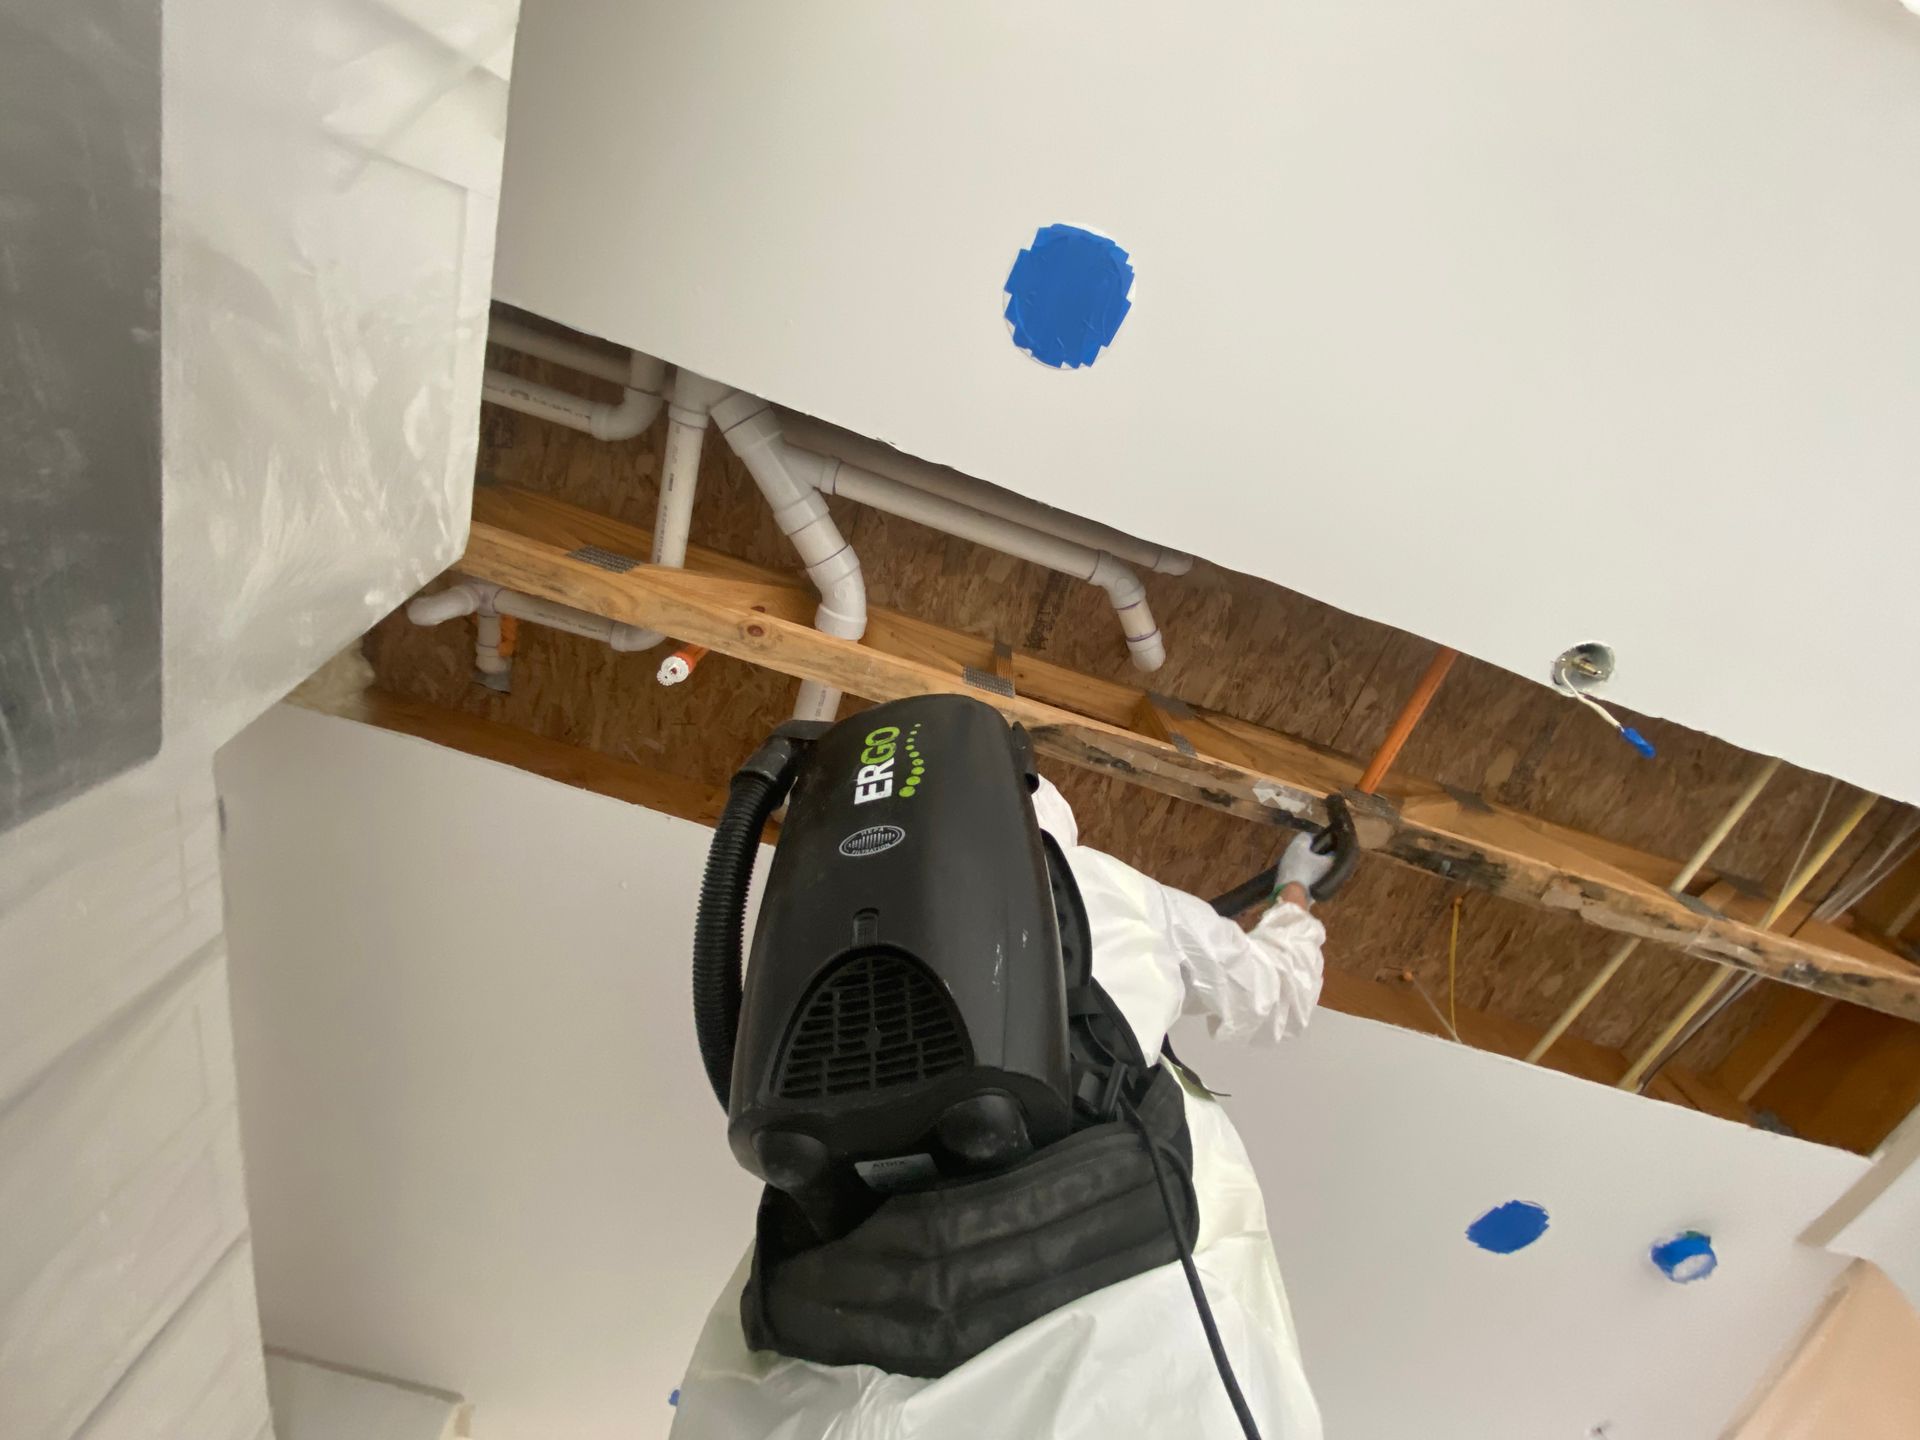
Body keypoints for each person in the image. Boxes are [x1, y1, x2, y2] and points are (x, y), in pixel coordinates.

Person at [671, 775, 1331, 1439]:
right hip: (1104, 1255)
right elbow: (1278, 991)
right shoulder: (1113, 888)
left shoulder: (818, 909)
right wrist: (1294, 890)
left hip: (840, 1288)